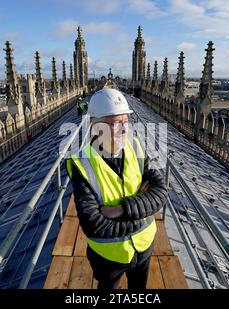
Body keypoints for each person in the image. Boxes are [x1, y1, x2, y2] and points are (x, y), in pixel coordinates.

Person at [66, 88, 167, 289]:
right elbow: (94, 226)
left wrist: (121, 210)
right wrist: (144, 214)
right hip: (109, 257)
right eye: (113, 123)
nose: (122, 129)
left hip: (144, 247)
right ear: (95, 126)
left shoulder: (136, 147)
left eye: (125, 122)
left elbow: (161, 192)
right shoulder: (82, 164)